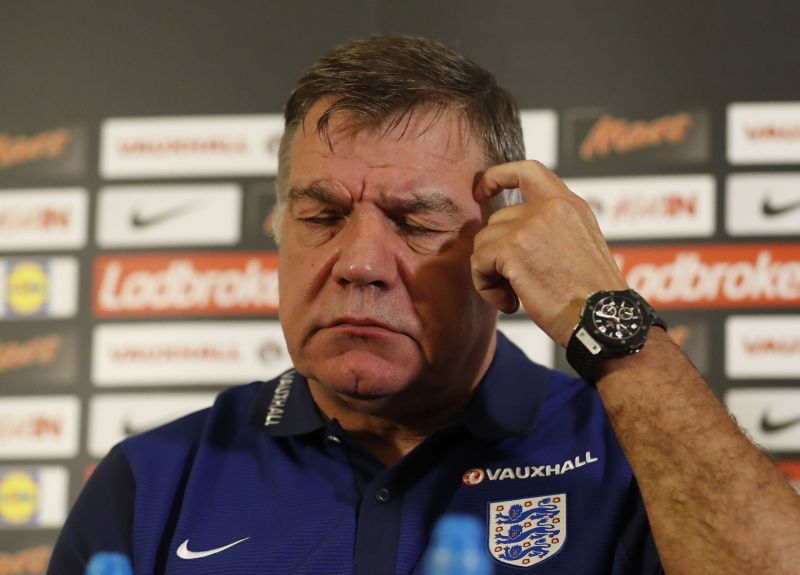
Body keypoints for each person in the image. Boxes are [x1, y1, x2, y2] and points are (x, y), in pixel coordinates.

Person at [49, 35, 800, 574]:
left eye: (414, 221)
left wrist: (601, 313)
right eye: (321, 215)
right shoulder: (153, 483)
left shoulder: (630, 455)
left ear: (502, 243)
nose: (360, 262)